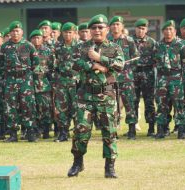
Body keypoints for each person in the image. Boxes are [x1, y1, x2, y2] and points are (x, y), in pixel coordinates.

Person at [67, 14, 124, 178]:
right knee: (81, 130)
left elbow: (120, 65)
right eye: (94, 28)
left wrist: (101, 58)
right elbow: (74, 65)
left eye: (100, 27)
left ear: (107, 29)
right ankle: (77, 163)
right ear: (90, 30)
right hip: (85, 96)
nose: (97, 30)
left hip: (106, 95)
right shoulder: (81, 47)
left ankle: (110, 167)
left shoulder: (114, 48)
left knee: (109, 132)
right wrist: (93, 65)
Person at [0, 21, 39, 142]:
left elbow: (36, 63)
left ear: (22, 32)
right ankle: (13, 134)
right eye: (13, 31)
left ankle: (30, 132)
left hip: (25, 80)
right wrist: (6, 76)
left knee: (28, 105)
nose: (15, 33)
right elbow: (0, 64)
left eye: (17, 31)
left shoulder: (29, 45)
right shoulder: (5, 47)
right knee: (10, 106)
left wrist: (29, 76)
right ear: (10, 33)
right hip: (10, 80)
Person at [154, 20, 185, 139]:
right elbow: (155, 61)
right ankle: (161, 129)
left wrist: (183, 76)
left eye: (171, 29)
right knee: (161, 104)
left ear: (175, 31)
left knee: (179, 104)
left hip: (177, 79)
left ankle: (181, 130)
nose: (168, 32)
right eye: (166, 29)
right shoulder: (158, 46)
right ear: (163, 32)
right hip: (162, 79)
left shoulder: (182, 45)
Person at [108, 15, 139, 139]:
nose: (116, 26)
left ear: (122, 27)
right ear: (110, 27)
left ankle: (132, 130)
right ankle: (112, 131)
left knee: (129, 103)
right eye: (113, 24)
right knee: (110, 105)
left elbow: (136, 58)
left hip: (126, 78)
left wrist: (125, 67)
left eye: (118, 24)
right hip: (110, 78)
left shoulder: (129, 40)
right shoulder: (107, 41)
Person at [54, 22, 79, 142]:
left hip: (76, 81)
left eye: (70, 32)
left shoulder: (80, 46)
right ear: (62, 33)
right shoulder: (58, 47)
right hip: (62, 81)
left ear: (74, 33)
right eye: (65, 32)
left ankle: (78, 132)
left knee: (77, 107)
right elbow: (54, 64)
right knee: (62, 107)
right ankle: (63, 132)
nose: (68, 35)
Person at [132, 18, 157, 137]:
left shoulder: (152, 42)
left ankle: (151, 128)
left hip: (148, 75)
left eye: (143, 28)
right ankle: (132, 127)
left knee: (149, 102)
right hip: (133, 75)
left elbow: (157, 60)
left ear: (146, 29)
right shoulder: (129, 41)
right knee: (133, 102)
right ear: (135, 29)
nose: (140, 30)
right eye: (138, 28)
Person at [30, 29, 54, 139]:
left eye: (38, 37)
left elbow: (52, 67)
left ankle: (46, 130)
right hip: (31, 83)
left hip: (44, 83)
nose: (36, 40)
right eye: (34, 38)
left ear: (42, 39)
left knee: (46, 108)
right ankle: (35, 130)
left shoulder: (48, 51)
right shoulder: (28, 51)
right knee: (33, 108)